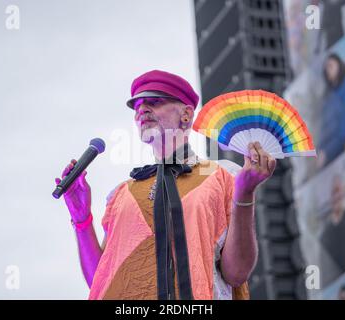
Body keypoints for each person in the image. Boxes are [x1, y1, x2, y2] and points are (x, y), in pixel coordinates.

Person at [55, 70, 276, 300]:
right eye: (137, 105)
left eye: (154, 101)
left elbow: (236, 273)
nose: (142, 109)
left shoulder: (223, 176)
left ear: (186, 115)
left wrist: (245, 193)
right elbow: (101, 280)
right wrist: (81, 218)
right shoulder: (122, 194)